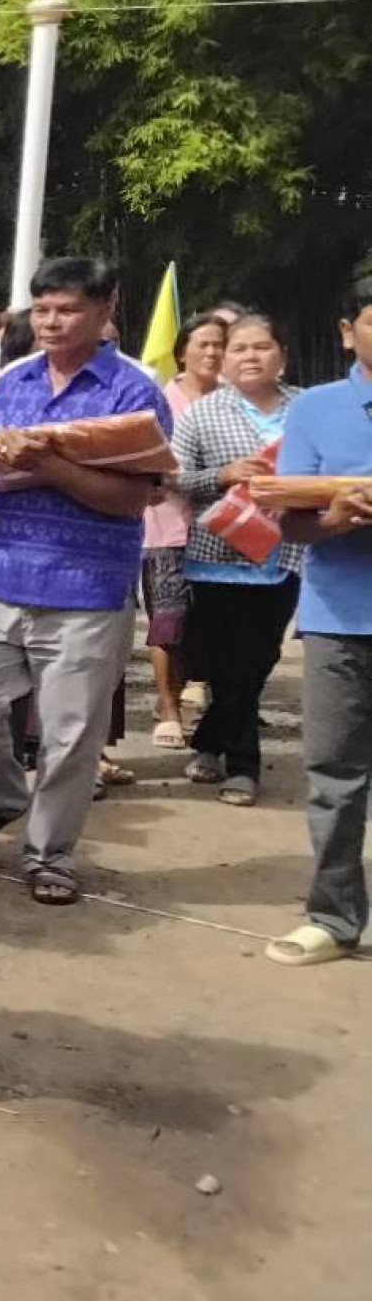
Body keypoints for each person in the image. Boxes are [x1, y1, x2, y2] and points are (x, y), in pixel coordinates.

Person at [0, 257, 170, 905]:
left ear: (105, 310)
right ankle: (0, 795)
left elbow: (133, 500)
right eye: (42, 310)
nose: (51, 322)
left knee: (70, 735)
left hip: (88, 584)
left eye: (67, 309)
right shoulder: (14, 382)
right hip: (0, 569)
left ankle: (50, 855)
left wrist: (50, 465)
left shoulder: (134, 393)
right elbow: (0, 468)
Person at [262, 273, 372, 966]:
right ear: (347, 332)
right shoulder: (315, 410)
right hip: (342, 618)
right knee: (336, 774)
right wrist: (336, 518)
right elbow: (290, 522)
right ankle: (334, 917)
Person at [171, 314, 301, 807]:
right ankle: (244, 768)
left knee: (261, 660)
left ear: (282, 355)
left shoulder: (305, 410)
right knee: (227, 664)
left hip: (286, 552)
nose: (250, 356)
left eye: (261, 347)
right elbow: (172, 477)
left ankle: (209, 738)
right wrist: (223, 475)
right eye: (239, 348)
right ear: (224, 360)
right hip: (217, 557)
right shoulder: (202, 414)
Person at [144, 316, 228, 747]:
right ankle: (168, 706)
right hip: (167, 526)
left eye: (219, 345)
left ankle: (216, 708)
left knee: (216, 622)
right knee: (168, 619)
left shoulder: (235, 403)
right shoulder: (160, 401)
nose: (212, 353)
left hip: (226, 529)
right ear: (181, 352)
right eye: (203, 344)